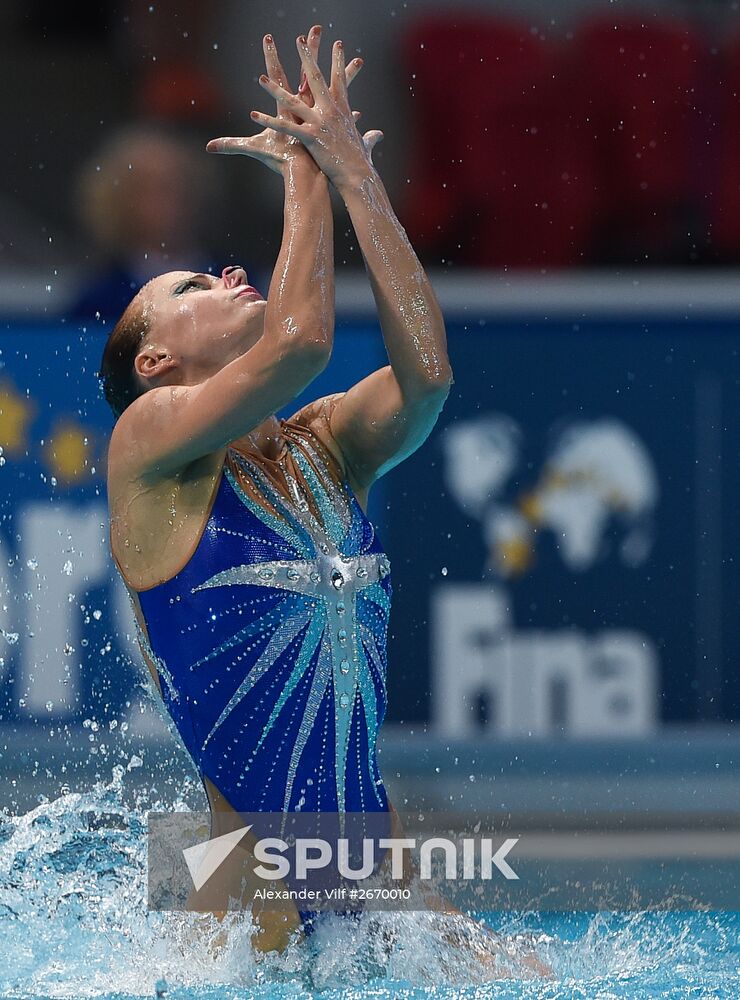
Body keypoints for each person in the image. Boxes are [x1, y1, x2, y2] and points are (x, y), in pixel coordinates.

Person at [102, 28, 548, 976]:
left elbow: (427, 375)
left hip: (380, 893)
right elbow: (300, 340)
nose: (225, 275)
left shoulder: (328, 446)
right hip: (238, 922)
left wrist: (358, 178)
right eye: (190, 286)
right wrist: (306, 164)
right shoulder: (147, 451)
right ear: (155, 362)